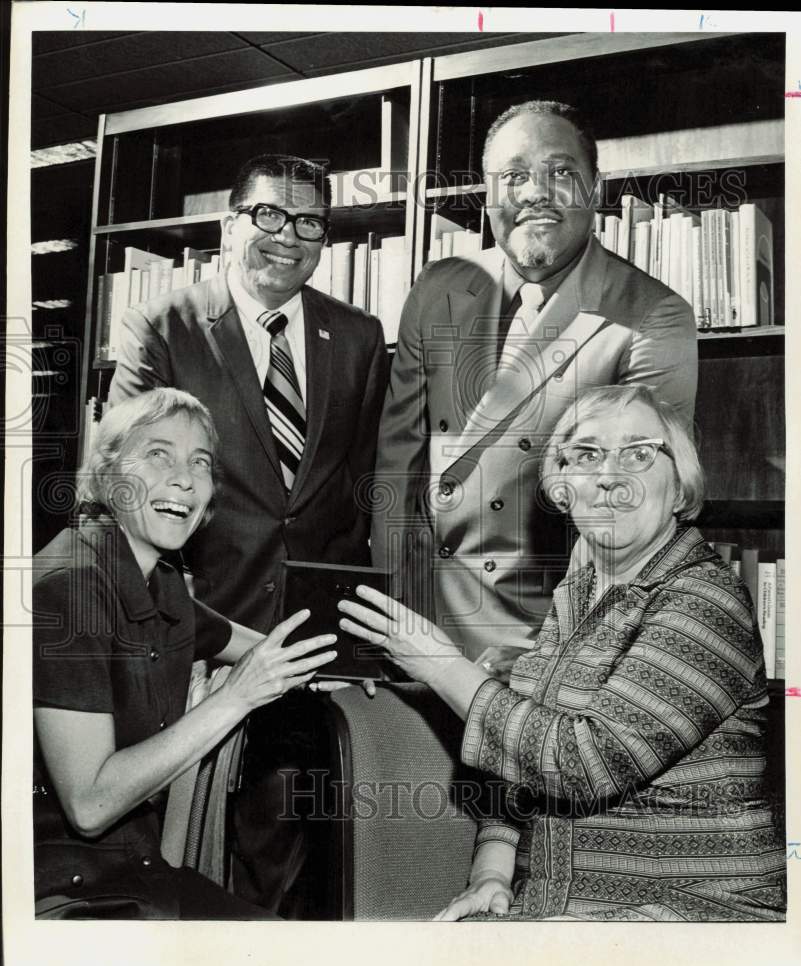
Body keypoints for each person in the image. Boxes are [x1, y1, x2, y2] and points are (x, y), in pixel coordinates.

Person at [341, 385, 786, 921]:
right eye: (587, 454)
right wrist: (491, 873)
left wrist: (441, 664)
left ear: (678, 487)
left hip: (693, 913)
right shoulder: (578, 593)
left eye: (638, 453)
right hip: (564, 910)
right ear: (562, 487)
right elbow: (519, 758)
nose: (609, 477)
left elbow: (581, 761)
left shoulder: (703, 599)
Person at [108, 153, 389, 915]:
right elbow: (123, 483)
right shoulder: (161, 326)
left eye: (308, 221)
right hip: (192, 635)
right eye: (268, 214)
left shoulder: (358, 337)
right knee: (171, 850)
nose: (287, 236)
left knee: (284, 853)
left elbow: (361, 495)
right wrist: (180, 618)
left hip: (303, 645)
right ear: (230, 224)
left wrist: (356, 631)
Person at [371, 100, 698, 662]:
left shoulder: (652, 317)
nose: (533, 193)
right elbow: (399, 460)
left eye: (561, 173)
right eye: (513, 176)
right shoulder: (439, 287)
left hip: (537, 642)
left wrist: (550, 657)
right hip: (416, 628)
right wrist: (390, 614)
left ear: (595, 189)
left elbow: (632, 515)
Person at [33, 389, 338, 919]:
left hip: (136, 874)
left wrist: (353, 671)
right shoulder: (69, 589)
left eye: (200, 463)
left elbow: (273, 650)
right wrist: (236, 697)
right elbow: (89, 805)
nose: (184, 477)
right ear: (108, 474)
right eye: (159, 454)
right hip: (60, 893)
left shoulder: (160, 581)